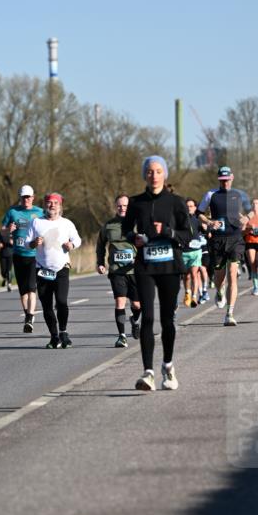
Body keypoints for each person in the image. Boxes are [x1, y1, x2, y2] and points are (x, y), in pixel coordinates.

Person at [122, 155, 191, 391]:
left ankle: (168, 367)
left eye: (158, 171)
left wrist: (169, 232)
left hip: (170, 267)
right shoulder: (136, 202)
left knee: (167, 320)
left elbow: (188, 235)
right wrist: (135, 239)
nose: (154, 175)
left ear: (165, 174)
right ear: (144, 174)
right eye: (150, 171)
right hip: (145, 267)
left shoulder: (176, 202)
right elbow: (125, 230)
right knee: (148, 318)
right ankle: (148, 372)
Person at [26, 193, 81, 349]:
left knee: (62, 302)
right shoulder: (36, 222)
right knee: (47, 306)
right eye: (49, 203)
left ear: (60, 206)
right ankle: (54, 336)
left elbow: (78, 240)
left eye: (55, 203)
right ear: (44, 205)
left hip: (61, 267)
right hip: (42, 269)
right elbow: (25, 244)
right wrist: (34, 243)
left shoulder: (67, 223)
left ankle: (63, 332)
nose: (52, 205)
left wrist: (71, 245)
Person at [197, 166, 250, 326]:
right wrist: (209, 222)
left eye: (227, 180)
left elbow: (251, 211)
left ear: (232, 178)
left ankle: (230, 313)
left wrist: (247, 218)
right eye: (222, 180)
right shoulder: (211, 194)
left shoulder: (240, 194)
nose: (225, 183)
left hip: (235, 238)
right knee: (220, 276)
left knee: (233, 274)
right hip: (218, 239)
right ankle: (220, 291)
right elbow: (198, 213)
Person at [96, 195, 141, 348]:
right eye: (119, 206)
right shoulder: (109, 225)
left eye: (125, 206)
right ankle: (121, 336)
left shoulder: (137, 223)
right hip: (117, 270)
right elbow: (100, 244)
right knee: (120, 301)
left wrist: (140, 258)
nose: (122, 208)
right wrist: (100, 263)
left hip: (135, 271)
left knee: (137, 305)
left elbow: (147, 242)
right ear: (116, 207)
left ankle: (135, 320)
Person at [1, 186, 44, 333]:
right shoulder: (12, 212)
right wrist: (8, 231)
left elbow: (48, 228)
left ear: (33, 197)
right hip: (18, 255)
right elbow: (2, 232)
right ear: (20, 198)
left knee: (32, 288)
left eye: (28, 197)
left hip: (34, 256)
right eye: (23, 197)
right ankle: (28, 315)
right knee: (23, 291)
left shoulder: (39, 212)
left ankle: (30, 316)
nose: (26, 199)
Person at [181, 198, 204, 308]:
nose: (189, 208)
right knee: (187, 276)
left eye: (191, 206)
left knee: (194, 274)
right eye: (187, 206)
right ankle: (187, 293)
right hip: (184, 251)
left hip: (196, 251)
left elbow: (204, 231)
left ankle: (194, 296)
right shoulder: (180, 220)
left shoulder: (198, 219)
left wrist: (206, 229)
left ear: (195, 208)